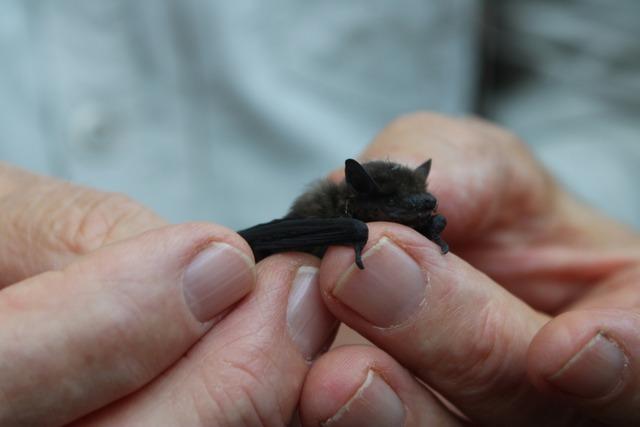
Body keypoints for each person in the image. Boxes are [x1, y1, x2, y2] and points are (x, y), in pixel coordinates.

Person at [1, 113, 639, 426]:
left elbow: (585, 71)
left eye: (424, 204)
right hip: (280, 257)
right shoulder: (338, 212)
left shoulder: (403, 211)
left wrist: (575, 215)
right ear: (357, 195)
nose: (423, 211)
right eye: (409, 207)